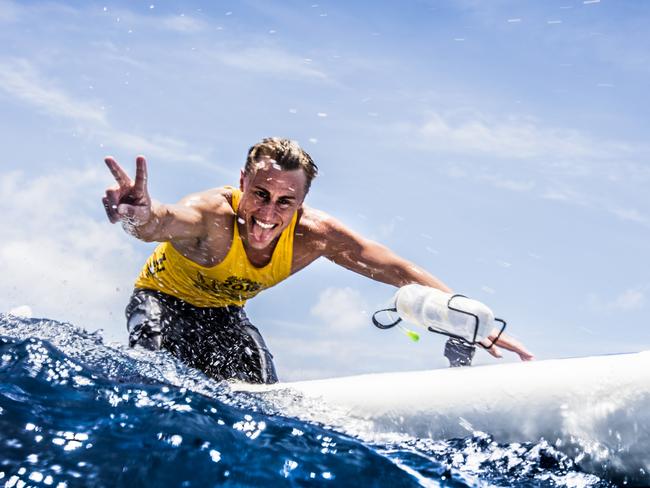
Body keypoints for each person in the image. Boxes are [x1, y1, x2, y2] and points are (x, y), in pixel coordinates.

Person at [102, 137, 534, 384]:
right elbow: (160, 222)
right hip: (161, 302)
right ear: (242, 183)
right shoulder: (212, 216)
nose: (269, 213)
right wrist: (138, 216)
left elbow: (397, 271)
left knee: (263, 398)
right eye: (260, 195)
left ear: (303, 203)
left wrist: (470, 322)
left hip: (225, 314)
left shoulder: (315, 236)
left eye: (286, 201)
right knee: (151, 381)